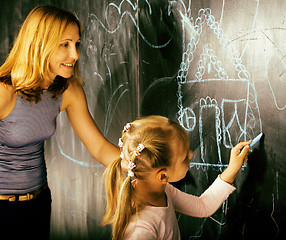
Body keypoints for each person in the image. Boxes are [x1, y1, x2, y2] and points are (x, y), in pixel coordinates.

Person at [0, 5, 119, 239]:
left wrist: (140, 165)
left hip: (39, 203)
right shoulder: (5, 91)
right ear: (39, 44)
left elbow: (99, 147)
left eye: (77, 44)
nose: (75, 55)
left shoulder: (68, 91)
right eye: (64, 44)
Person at [102, 115, 251, 240]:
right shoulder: (140, 231)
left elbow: (203, 206)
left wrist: (232, 168)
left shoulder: (162, 191)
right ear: (163, 175)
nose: (191, 154)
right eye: (185, 157)